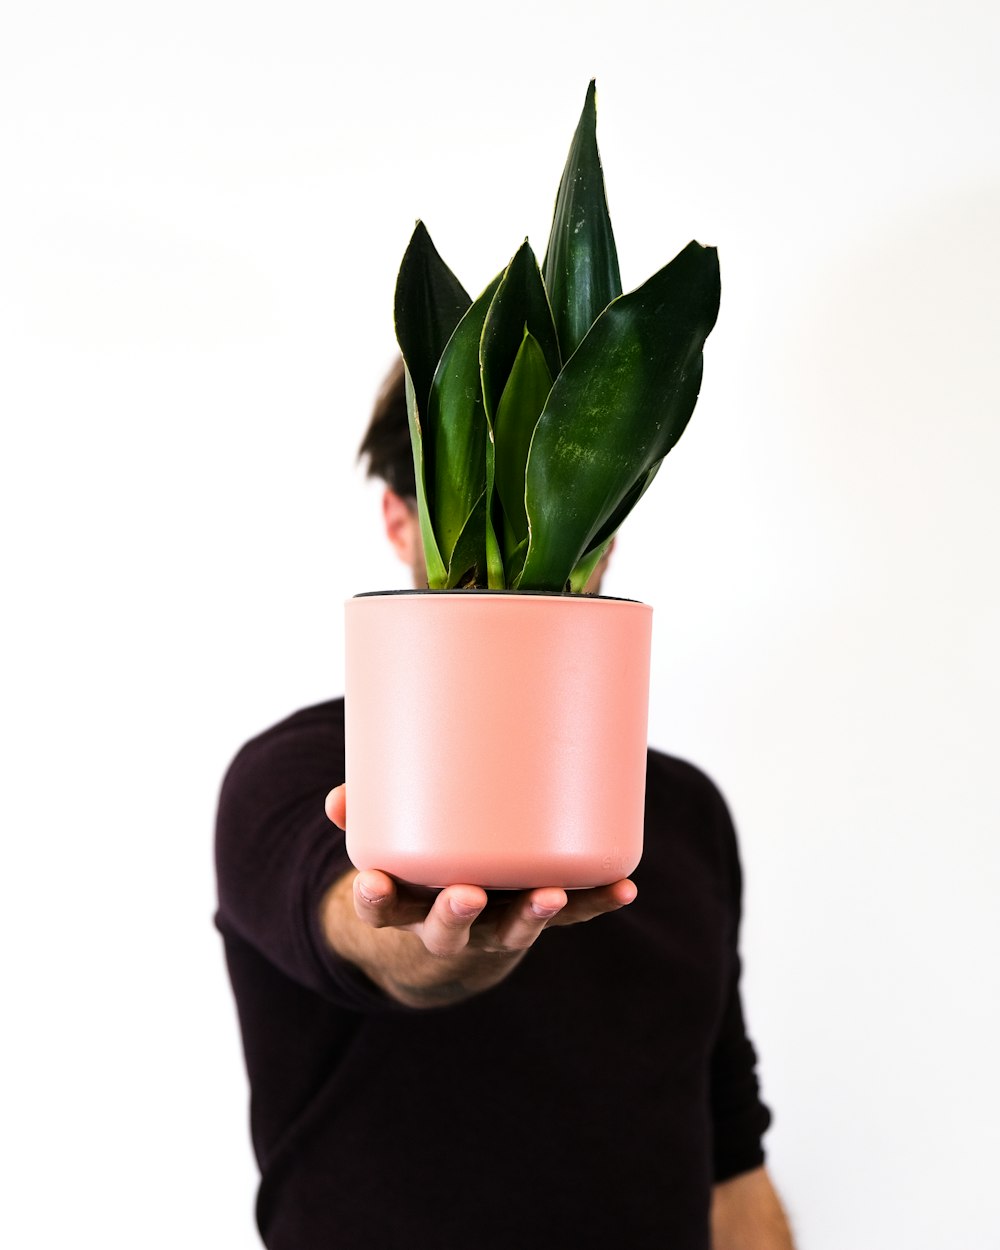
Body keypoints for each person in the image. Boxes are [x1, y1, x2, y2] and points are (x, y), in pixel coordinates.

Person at [215, 360, 795, 1249]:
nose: (529, 548)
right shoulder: (291, 774)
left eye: (574, 497)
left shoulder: (679, 811)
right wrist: (438, 941)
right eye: (479, 508)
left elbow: (731, 1146)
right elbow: (355, 933)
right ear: (401, 523)